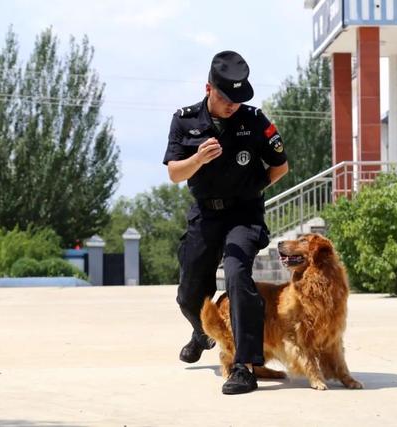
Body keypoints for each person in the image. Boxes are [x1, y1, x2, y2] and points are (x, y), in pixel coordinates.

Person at [163, 50, 288, 394]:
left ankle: (244, 366)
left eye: (239, 97)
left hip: (244, 215)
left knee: (236, 276)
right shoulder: (185, 120)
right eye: (225, 97)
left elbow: (280, 167)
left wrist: (252, 188)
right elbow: (175, 173)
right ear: (208, 88)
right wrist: (198, 158)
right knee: (188, 295)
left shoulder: (255, 121)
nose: (233, 104)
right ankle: (204, 332)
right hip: (205, 214)